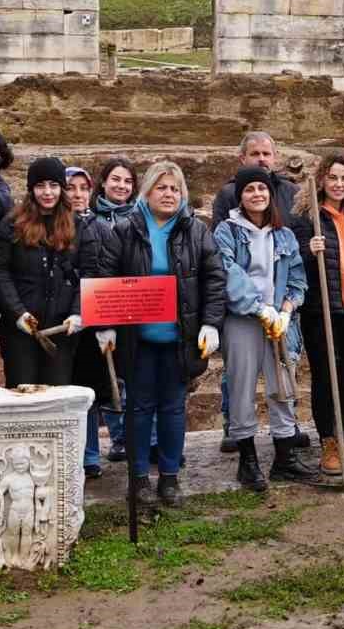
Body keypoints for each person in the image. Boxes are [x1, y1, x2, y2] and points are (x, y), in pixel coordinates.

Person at [104, 161, 226, 506]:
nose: (169, 194)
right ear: (147, 192)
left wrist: (210, 323)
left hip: (180, 338)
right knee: (139, 408)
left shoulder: (196, 231)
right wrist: (107, 325)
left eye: (175, 188)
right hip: (137, 340)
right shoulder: (125, 230)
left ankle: (170, 477)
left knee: (173, 408)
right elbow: (107, 277)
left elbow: (214, 278)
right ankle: (139, 477)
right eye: (162, 187)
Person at [214, 167, 315, 490]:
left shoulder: (283, 235)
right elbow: (229, 274)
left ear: (270, 195)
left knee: (282, 384)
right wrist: (260, 309)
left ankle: (284, 459)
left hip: (279, 321)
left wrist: (286, 310)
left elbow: (297, 278)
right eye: (250, 190)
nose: (257, 194)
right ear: (240, 196)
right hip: (243, 320)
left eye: (262, 189)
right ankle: (248, 461)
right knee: (242, 386)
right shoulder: (226, 232)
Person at [290, 153, 344, 479]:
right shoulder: (305, 218)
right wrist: (307, 250)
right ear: (322, 179)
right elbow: (291, 261)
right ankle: (329, 441)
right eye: (333, 177)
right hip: (321, 310)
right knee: (326, 378)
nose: (339, 184)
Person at [0, 157, 94, 389]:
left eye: (54, 185)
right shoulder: (12, 225)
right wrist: (17, 313)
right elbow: (0, 271)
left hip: (62, 330)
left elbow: (88, 273)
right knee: (23, 394)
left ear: (61, 188)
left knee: (56, 397)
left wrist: (78, 312)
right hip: (21, 332)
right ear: (31, 189)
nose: (47, 192)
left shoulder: (78, 226)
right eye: (40, 186)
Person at [86, 157, 139, 462]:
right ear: (103, 183)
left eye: (128, 181)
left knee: (133, 375)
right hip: (102, 305)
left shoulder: (142, 218)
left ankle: (134, 436)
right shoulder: (91, 218)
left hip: (134, 304)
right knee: (108, 376)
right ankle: (117, 436)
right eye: (115, 180)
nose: (121, 186)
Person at [65, 166, 110, 478]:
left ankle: (90, 454)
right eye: (71, 187)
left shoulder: (102, 227)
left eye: (83, 188)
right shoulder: (50, 226)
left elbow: (106, 273)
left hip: (91, 319)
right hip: (60, 320)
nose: (78, 194)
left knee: (89, 390)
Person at [211, 131, 300, 223]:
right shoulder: (228, 194)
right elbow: (219, 232)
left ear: (275, 157)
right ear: (243, 158)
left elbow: (303, 231)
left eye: (266, 154)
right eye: (255, 154)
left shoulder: (292, 191)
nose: (261, 159)